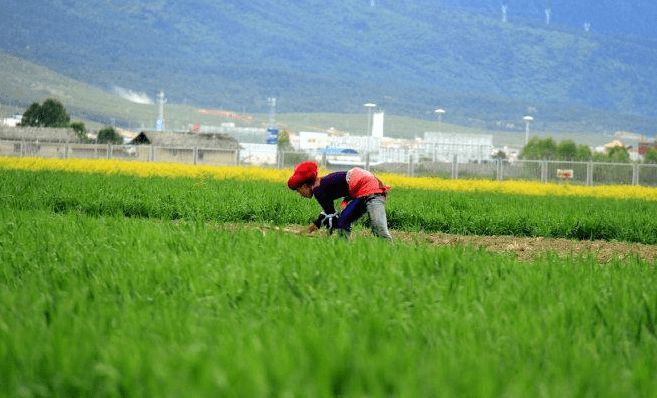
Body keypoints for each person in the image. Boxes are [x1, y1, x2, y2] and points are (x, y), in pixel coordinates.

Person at [287, 161, 393, 242]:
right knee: (343, 221)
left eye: (298, 190)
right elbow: (328, 212)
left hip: (370, 190)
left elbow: (330, 214)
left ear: (304, 185)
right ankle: (344, 249)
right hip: (364, 190)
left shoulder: (318, 190)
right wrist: (310, 229)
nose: (300, 194)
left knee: (379, 228)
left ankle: (391, 253)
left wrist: (314, 231)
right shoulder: (321, 185)